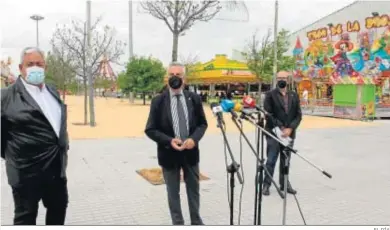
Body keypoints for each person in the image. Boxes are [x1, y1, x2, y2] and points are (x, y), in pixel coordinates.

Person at [1, 47, 69, 225]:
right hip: (26, 174)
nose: (35, 68)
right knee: (26, 218)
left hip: (56, 171)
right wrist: (15, 157)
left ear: (45, 67)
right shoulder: (6, 97)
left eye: (39, 64)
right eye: (30, 64)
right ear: (20, 68)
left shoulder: (52, 92)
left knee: (58, 210)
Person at [145, 62, 208, 225]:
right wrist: (169, 141)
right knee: (173, 193)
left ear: (184, 78)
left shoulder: (193, 99)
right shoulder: (158, 101)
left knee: (193, 191)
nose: (175, 78)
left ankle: (196, 221)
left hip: (191, 153)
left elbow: (202, 124)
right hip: (169, 154)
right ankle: (178, 223)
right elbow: (150, 129)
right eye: (171, 75)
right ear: (167, 78)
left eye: (178, 75)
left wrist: (194, 139)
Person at [262, 72, 302, 196]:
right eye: (279, 78)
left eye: (284, 78)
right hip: (274, 132)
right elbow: (268, 114)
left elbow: (298, 115)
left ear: (288, 80)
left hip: (289, 134)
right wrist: (281, 127)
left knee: (286, 161)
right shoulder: (270, 95)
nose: (281, 80)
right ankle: (266, 184)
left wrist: (290, 128)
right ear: (276, 79)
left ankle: (284, 183)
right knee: (271, 160)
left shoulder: (294, 95)